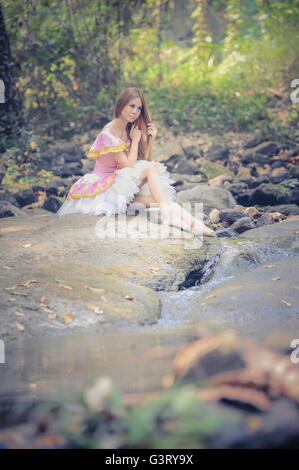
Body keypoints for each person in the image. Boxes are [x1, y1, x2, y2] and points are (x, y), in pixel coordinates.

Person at [56, 87, 215, 237]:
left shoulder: (128, 129)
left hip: (117, 185)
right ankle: (170, 216)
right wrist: (136, 140)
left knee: (159, 200)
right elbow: (129, 165)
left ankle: (198, 226)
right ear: (121, 105)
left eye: (139, 108)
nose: (135, 111)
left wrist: (150, 140)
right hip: (104, 187)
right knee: (152, 173)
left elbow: (142, 161)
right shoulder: (108, 134)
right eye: (132, 106)